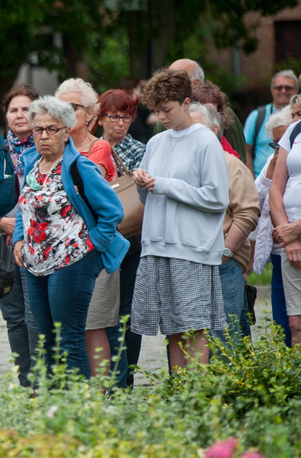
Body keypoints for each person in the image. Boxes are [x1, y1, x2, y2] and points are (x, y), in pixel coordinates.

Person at [12, 96, 126, 380]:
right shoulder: (32, 165)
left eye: (52, 129)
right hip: (35, 264)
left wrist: (92, 246)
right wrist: (17, 239)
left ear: (66, 132)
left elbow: (113, 211)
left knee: (69, 340)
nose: (44, 136)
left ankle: (77, 412)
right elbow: (24, 207)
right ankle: (54, 410)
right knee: (46, 341)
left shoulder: (78, 167)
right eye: (38, 130)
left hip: (72, 262)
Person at [131, 68, 229, 369]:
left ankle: (195, 395)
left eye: (167, 109)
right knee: (172, 326)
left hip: (192, 248)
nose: (162, 116)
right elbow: (146, 197)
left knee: (194, 325)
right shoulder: (156, 142)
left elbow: (216, 198)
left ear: (186, 103)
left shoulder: (204, 141)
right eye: (157, 110)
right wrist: (141, 181)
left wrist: (163, 184)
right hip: (158, 245)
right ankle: (179, 392)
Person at [56, 78, 123, 381]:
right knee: (69, 327)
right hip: (61, 251)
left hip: (93, 249)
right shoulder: (50, 148)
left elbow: (72, 183)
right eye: (61, 107)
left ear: (90, 115)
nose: (65, 113)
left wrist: (95, 243)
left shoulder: (98, 148)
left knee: (93, 324)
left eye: (73, 107)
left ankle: (97, 398)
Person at [188, 102, 259, 342]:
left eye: (196, 129)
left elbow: (248, 213)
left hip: (221, 265)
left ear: (214, 130)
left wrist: (225, 253)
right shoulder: (183, 166)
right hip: (188, 263)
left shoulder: (231, 166)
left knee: (224, 340)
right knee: (191, 338)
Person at [97, 88, 146, 386]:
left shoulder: (142, 151)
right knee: (101, 311)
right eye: (113, 116)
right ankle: (103, 376)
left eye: (126, 117)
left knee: (128, 310)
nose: (119, 123)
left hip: (131, 237)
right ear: (99, 117)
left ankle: (126, 376)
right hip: (100, 238)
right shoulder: (88, 148)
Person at [0, 84, 40, 387]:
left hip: (38, 244)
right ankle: (26, 384)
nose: (20, 115)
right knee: (13, 317)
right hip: (3, 243)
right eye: (14, 110)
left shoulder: (46, 148)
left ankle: (42, 384)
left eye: (26, 109)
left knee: (34, 317)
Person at [252, 107, 296, 346]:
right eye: (275, 144)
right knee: (283, 321)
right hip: (279, 252)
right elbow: (255, 199)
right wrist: (269, 173)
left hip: (294, 243)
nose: (280, 150)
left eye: (283, 142)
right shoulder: (273, 159)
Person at [165, 59, 246, 163]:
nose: (170, 87)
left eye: (177, 81)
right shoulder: (166, 117)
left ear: (195, 83)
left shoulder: (225, 115)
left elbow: (241, 163)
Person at [268, 101, 301, 346]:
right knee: (295, 324)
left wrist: (296, 230)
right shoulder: (294, 130)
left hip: (294, 232)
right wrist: (288, 237)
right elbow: (275, 189)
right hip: (291, 240)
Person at [245, 70, 299, 177]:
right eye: (278, 87)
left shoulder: (299, 119)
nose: (283, 91)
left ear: (297, 90)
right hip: (262, 181)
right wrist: (252, 181)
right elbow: (246, 150)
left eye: (288, 88)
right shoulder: (256, 117)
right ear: (271, 90)